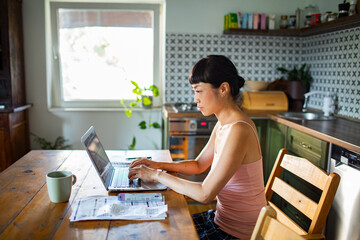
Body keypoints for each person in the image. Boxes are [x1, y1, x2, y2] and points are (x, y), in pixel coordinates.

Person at [128, 55, 267, 239]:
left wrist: (155, 175)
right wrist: (159, 165)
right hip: (219, 220)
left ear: (223, 89)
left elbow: (204, 194)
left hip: (237, 233)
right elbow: (198, 164)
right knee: (163, 226)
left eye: (199, 91)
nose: (195, 99)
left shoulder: (239, 129)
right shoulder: (223, 124)